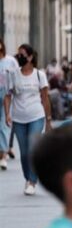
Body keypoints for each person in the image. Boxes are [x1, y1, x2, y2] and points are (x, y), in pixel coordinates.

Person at [3, 43, 52, 196]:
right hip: (19, 118)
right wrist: (7, 114)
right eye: (18, 54)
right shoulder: (13, 74)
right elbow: (8, 96)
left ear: (30, 57)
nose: (19, 57)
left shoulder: (39, 75)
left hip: (36, 116)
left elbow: (45, 98)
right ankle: (28, 178)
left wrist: (48, 121)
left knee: (32, 148)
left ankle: (32, 180)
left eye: (22, 54)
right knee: (24, 153)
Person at [0, 38, 19, 171]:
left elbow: (17, 76)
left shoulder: (10, 61)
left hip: (6, 95)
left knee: (4, 124)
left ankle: (3, 155)